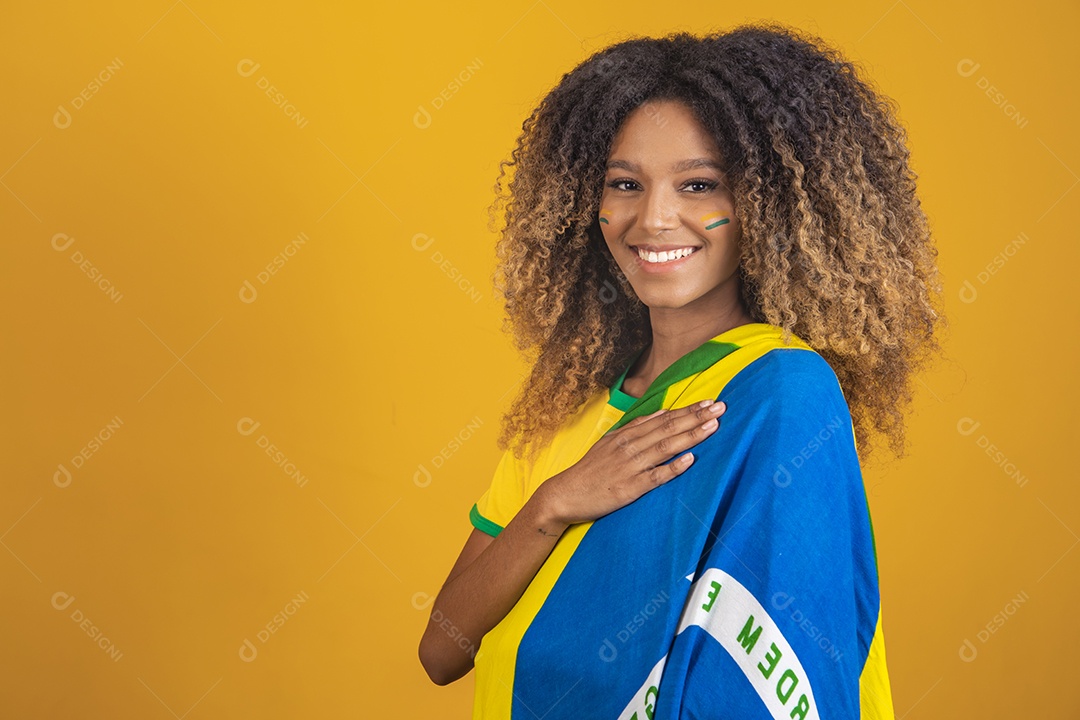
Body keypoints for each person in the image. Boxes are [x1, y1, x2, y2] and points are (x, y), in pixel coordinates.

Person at [418, 22, 943, 719]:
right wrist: (555, 503)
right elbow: (442, 651)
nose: (654, 218)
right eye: (624, 183)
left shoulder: (779, 395)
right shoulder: (562, 413)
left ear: (767, 203)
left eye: (699, 185)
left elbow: (769, 668)